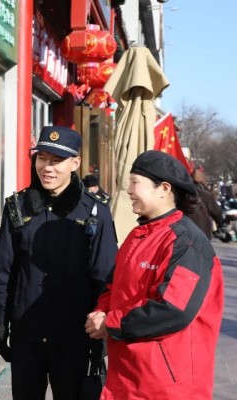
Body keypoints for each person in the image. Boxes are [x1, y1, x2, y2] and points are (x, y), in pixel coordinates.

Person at [0, 126, 117, 400]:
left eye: (56, 160)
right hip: (27, 333)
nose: (47, 167)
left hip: (75, 336)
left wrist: (101, 332)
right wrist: (1, 321)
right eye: (42, 158)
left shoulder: (96, 212)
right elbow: (4, 271)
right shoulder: (17, 207)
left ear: (75, 163)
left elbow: (105, 278)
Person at [85, 150, 224, 400]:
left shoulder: (186, 243)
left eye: (135, 182)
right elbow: (113, 285)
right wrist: (101, 310)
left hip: (165, 385)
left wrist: (110, 323)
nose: (129, 190)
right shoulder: (139, 235)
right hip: (128, 375)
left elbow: (173, 310)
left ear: (164, 189)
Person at [185, 169, 222, 239]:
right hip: (202, 231)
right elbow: (217, 212)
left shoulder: (182, 192)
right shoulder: (207, 195)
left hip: (183, 231)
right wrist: (220, 224)